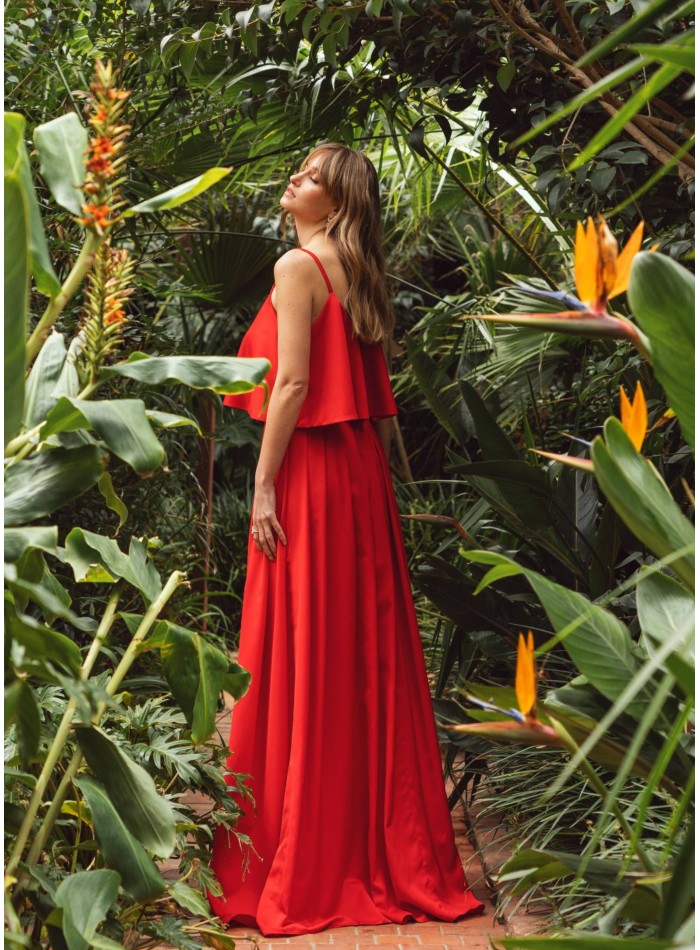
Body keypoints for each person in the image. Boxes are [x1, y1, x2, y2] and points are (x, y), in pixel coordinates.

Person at [206, 143, 484, 936]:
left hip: (313, 473)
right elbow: (381, 394)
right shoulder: (358, 269)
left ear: (334, 204)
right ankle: (372, 845)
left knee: (299, 653)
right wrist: (392, 480)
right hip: (357, 477)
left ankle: (303, 857)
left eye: (310, 178)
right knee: (359, 654)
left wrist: (263, 483)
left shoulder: (300, 267)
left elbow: (292, 384)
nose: (292, 182)